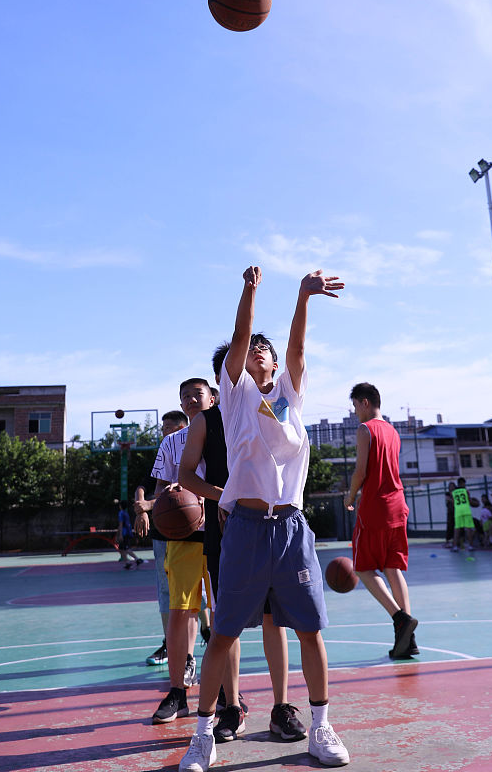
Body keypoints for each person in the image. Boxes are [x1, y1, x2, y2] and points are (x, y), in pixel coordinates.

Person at [177, 267, 350, 772]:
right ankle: (204, 734)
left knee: (310, 631)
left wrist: (303, 298)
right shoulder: (232, 398)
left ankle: (320, 726)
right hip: (248, 529)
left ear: (275, 361)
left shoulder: (291, 394)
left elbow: (298, 347)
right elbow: (238, 338)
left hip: (292, 528)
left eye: (263, 349)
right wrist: (249, 292)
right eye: (249, 348)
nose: (255, 351)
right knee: (226, 634)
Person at [179, 344, 306, 745]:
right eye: (231, 369)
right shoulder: (206, 423)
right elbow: (186, 477)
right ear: (224, 379)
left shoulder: (272, 405)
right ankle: (231, 707)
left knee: (274, 616)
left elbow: (284, 450)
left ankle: (281, 706)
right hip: (227, 525)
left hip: (267, 522)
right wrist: (224, 495)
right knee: (227, 624)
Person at [150, 381, 214, 724]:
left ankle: (226, 693)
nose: (190, 400)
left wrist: (206, 495)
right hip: (183, 536)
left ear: (213, 398)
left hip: (220, 533)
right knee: (180, 612)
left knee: (221, 615)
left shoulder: (226, 435)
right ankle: (178, 692)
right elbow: (161, 486)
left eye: (197, 394)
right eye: (184, 396)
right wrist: (161, 500)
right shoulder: (171, 442)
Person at [343, 383, 418, 660]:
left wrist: (350, 497)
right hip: (398, 505)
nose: (355, 414)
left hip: (375, 506)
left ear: (364, 402)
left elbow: (360, 471)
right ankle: (408, 638)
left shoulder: (365, 430)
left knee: (362, 568)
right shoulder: (393, 431)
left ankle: (399, 619)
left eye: (354, 407)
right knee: (392, 567)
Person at [134, 409, 188, 665]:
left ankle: (208, 634)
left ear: (181, 429)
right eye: (163, 429)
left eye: (168, 428)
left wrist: (148, 506)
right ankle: (170, 644)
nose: (164, 433)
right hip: (163, 533)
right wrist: (143, 509)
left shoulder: (199, 449)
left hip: (194, 531)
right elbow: (144, 486)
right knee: (166, 590)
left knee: (198, 591)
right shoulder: (164, 453)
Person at [451, 478, 476, 551]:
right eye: (464, 483)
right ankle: (470, 546)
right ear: (462, 483)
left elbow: (453, 503)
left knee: (457, 529)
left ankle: (455, 546)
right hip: (466, 510)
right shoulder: (466, 491)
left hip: (458, 511)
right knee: (468, 528)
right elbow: (469, 500)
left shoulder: (453, 492)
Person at [116, 499, 141, 569]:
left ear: (120, 506)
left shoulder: (121, 513)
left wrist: (120, 534)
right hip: (127, 532)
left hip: (124, 533)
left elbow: (121, 524)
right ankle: (127, 562)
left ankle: (137, 559)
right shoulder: (126, 513)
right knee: (121, 549)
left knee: (125, 548)